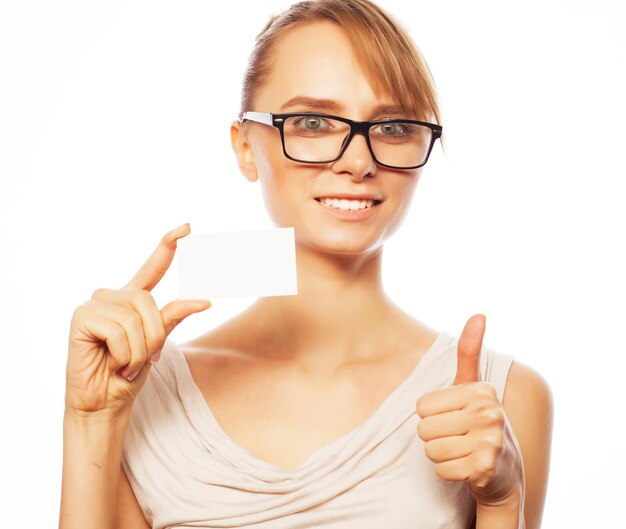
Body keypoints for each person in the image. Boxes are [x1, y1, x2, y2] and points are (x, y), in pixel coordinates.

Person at [59, 1, 553, 528]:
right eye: (313, 121)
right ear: (245, 147)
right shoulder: (141, 392)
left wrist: (502, 501)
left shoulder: (500, 397)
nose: (358, 162)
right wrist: (90, 420)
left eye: (392, 127)